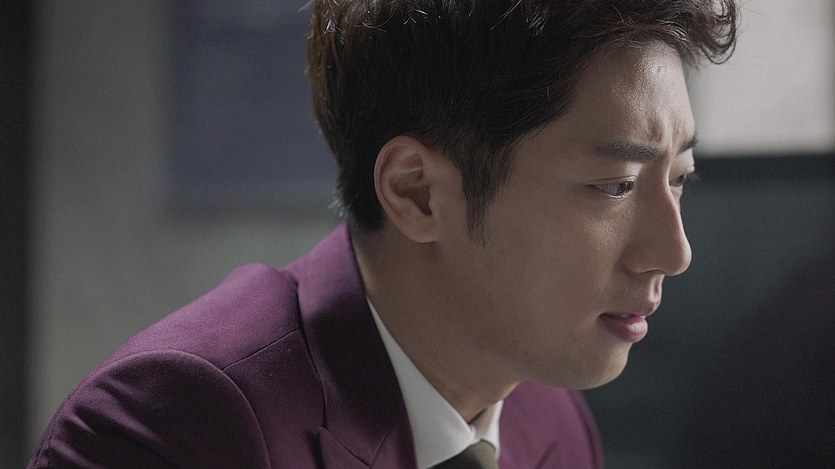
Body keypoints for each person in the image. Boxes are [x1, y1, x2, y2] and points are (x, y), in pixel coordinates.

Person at [29, 1, 737, 467]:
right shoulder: (179, 427)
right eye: (615, 185)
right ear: (416, 192)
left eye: (679, 177)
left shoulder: (551, 421)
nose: (674, 252)